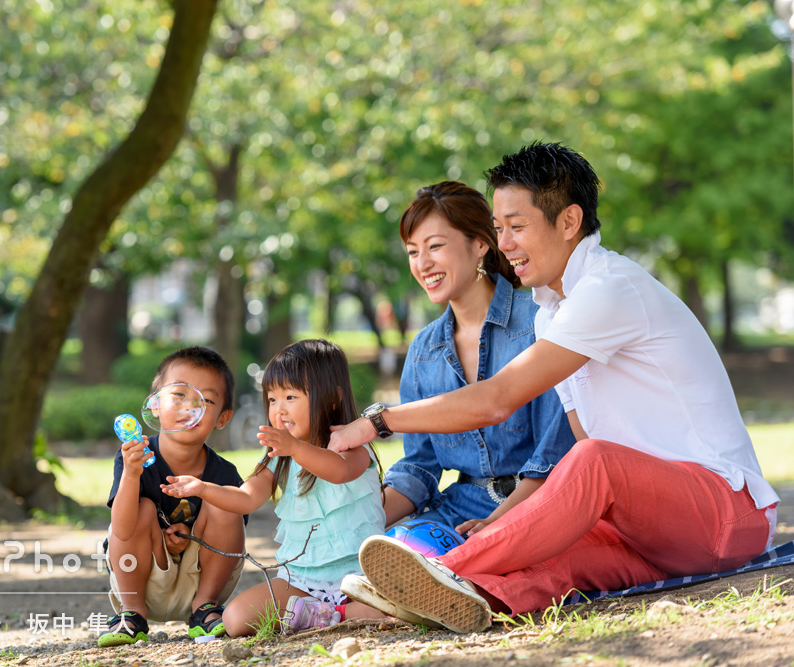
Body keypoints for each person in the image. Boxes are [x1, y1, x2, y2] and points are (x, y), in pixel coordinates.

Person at [330, 142, 780, 634]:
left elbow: (499, 401)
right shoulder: (550, 315)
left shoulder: (611, 289)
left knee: (595, 461)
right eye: (499, 229)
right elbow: (579, 442)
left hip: (725, 516)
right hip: (644, 532)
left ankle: (448, 569)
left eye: (517, 227)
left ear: (569, 222)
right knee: (548, 565)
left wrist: (379, 420)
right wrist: (515, 522)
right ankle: (449, 597)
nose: (505, 244)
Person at [339, 181, 577, 625]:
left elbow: (553, 456)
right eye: (413, 252)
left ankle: (451, 586)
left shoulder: (540, 322)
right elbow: (419, 468)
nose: (422, 263)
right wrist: (361, 526)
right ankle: (440, 587)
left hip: (537, 504)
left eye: (434, 246)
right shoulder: (424, 350)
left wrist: (496, 527)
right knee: (384, 552)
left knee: (490, 560)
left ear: (481, 245)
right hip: (461, 510)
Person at [161, 339, 387, 636]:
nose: (279, 410)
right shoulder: (278, 458)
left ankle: (340, 613)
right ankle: (326, 615)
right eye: (271, 399)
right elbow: (246, 498)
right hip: (301, 582)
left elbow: (340, 471)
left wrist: (294, 448)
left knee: (387, 608)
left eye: (290, 397)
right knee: (235, 618)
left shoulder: (352, 445)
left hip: (359, 577)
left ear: (332, 399)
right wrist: (202, 488)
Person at [99, 346, 246, 647]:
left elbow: (232, 538)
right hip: (142, 577)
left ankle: (205, 610)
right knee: (140, 507)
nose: (188, 407)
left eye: (204, 401)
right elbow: (123, 529)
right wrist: (131, 474)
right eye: (178, 395)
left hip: (203, 583)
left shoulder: (224, 474)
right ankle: (132, 615)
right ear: (154, 405)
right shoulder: (133, 458)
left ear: (222, 417)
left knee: (226, 502)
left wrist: (192, 537)